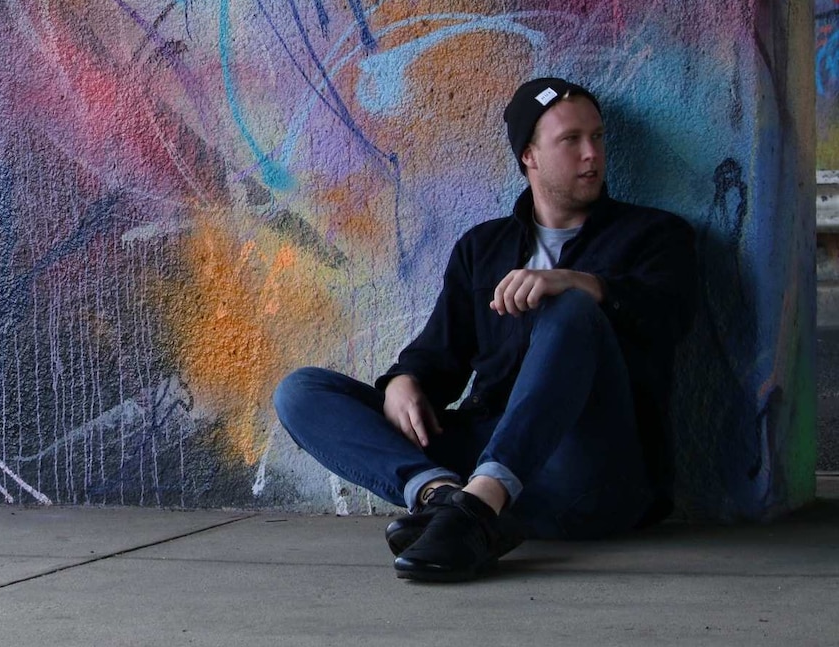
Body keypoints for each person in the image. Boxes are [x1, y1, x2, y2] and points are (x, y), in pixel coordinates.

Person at [274, 77, 697, 582]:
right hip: (484, 463)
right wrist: (403, 382)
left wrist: (580, 282)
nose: (592, 154)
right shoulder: (482, 248)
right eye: (571, 140)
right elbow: (439, 358)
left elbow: (668, 317)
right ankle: (444, 499)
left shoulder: (656, 234)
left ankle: (477, 507)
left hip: (587, 474)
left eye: (598, 137)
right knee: (301, 391)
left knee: (573, 309)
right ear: (529, 156)